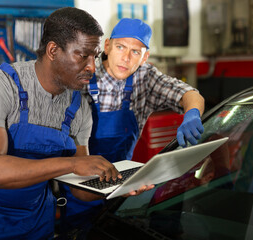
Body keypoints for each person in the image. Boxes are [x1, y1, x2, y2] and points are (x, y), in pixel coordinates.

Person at [0, 8, 149, 240]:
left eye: (94, 56)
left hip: (37, 215)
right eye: (82, 55)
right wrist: (71, 165)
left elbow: (79, 189)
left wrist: (121, 188)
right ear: (53, 50)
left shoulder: (79, 107)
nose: (92, 67)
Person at [58, 18, 205, 237]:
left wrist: (192, 112)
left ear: (145, 57)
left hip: (122, 191)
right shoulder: (83, 76)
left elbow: (189, 94)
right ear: (107, 46)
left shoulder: (145, 78)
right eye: (120, 47)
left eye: (136, 52)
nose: (126, 58)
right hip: (78, 192)